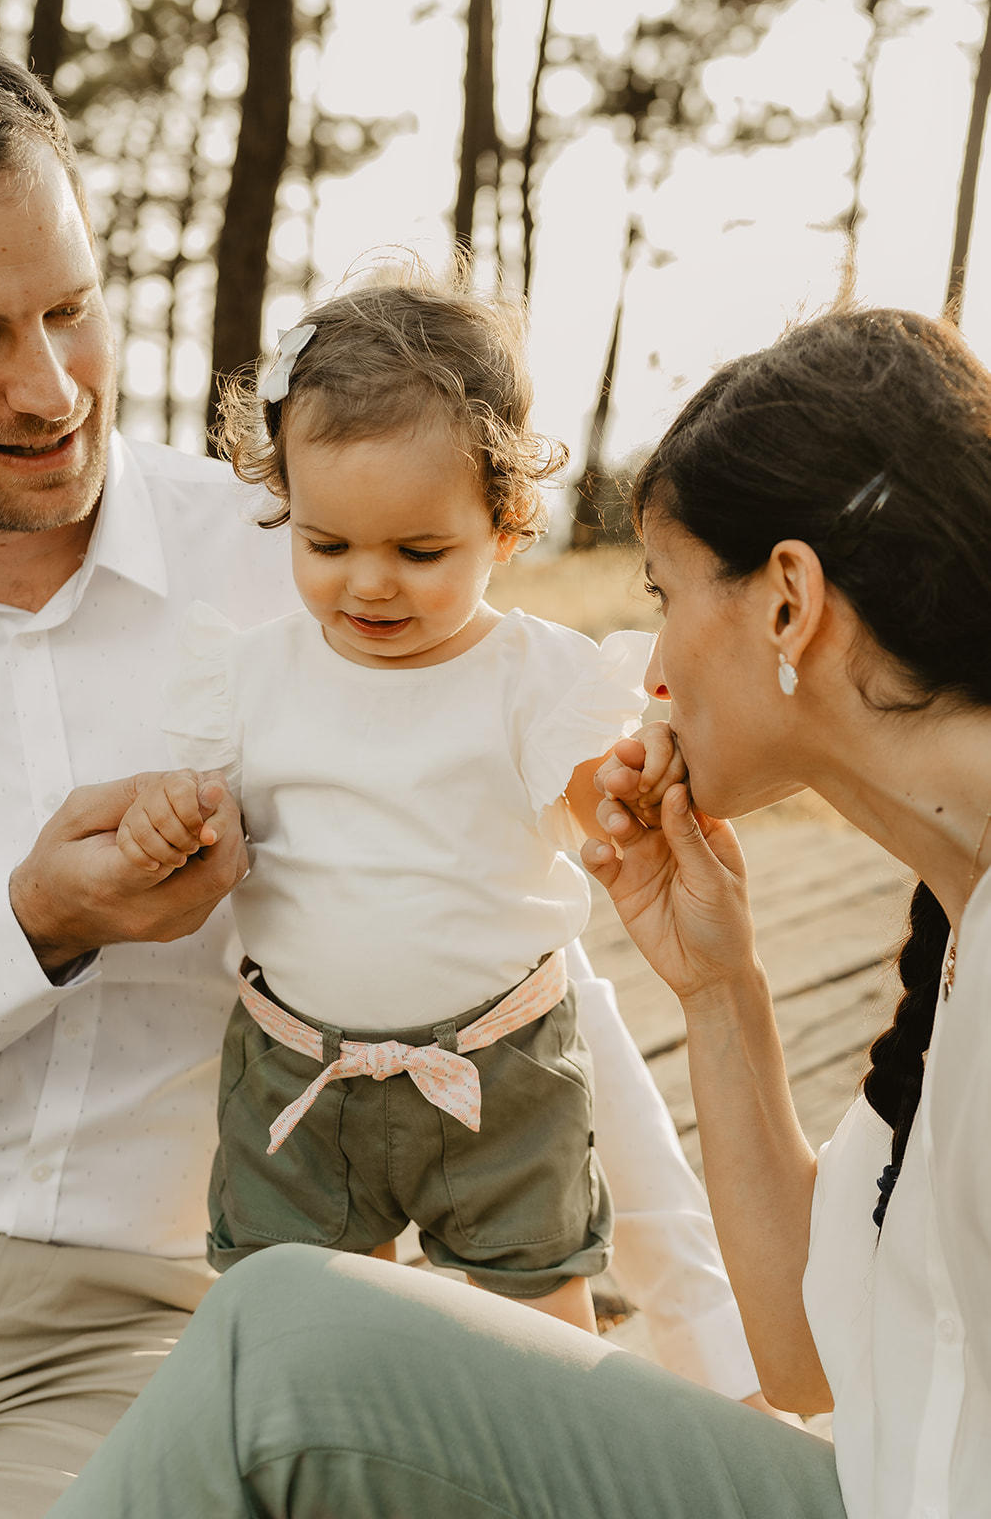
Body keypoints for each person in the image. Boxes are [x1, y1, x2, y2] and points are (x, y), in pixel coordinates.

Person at [0, 14, 764, 1518]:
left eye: (76, 309)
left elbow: (509, 966)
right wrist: (34, 930)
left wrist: (713, 1365)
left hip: (125, 1323)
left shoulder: (300, 574)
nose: (52, 391)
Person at [48, 304, 991, 1519]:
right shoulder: (952, 928)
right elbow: (811, 1351)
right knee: (272, 1329)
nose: (644, 671)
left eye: (661, 593)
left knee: (269, 1342)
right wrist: (718, 988)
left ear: (785, 604)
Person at [116, 278, 670, 1331]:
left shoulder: (532, 679)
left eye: (419, 552)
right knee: (303, 1327)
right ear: (285, 504)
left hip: (498, 1072)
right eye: (325, 545)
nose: (368, 584)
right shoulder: (245, 678)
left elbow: (600, 803)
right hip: (296, 1075)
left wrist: (627, 789)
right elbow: (199, 823)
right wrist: (163, 824)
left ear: (505, 528)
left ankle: (536, 1474)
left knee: (540, 1315)